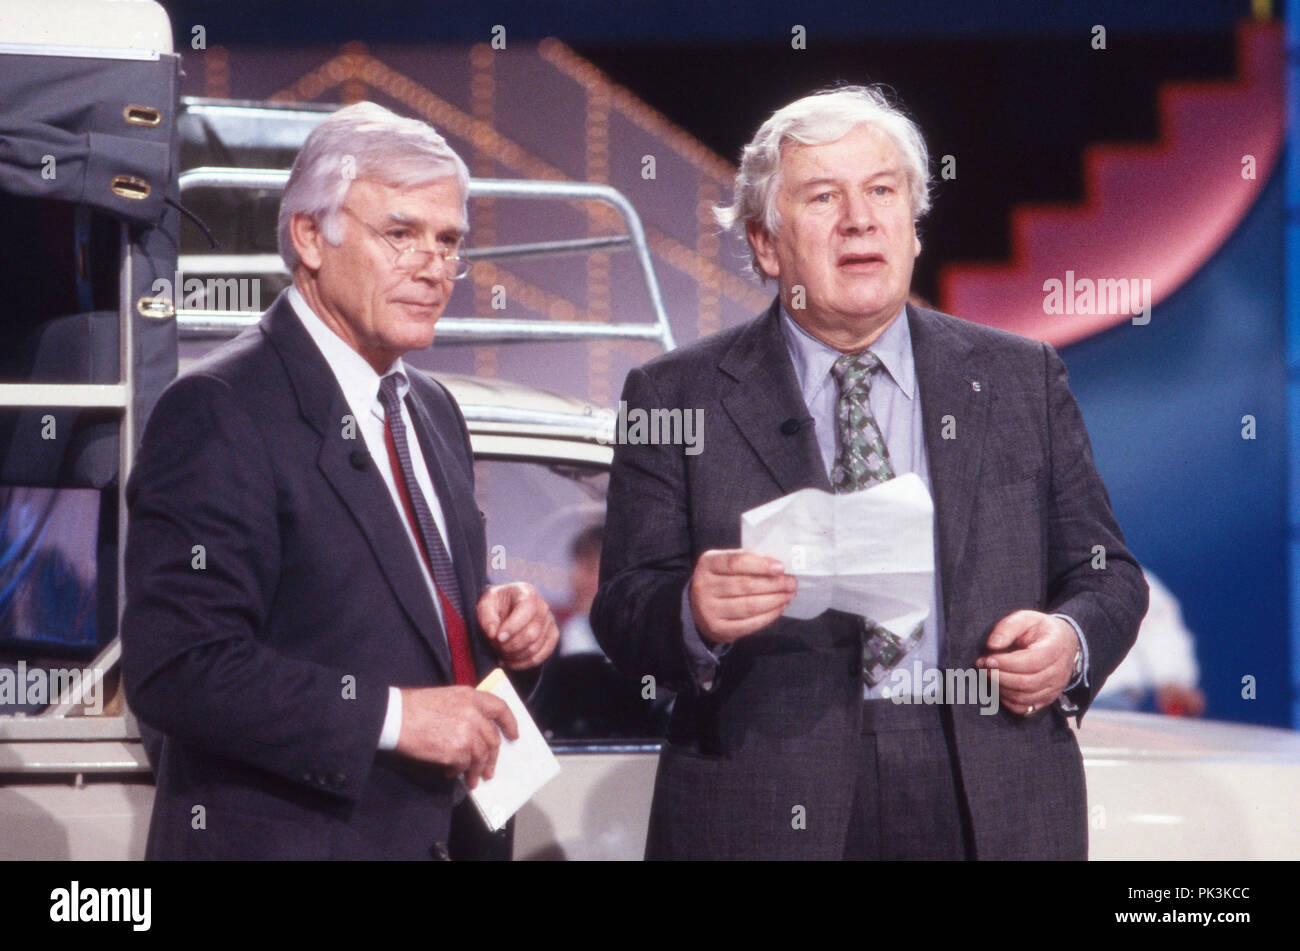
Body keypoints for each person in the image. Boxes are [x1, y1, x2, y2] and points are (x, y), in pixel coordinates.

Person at [591, 85, 1148, 860]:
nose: (861, 218)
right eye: (823, 196)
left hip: (988, 787)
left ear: (912, 228)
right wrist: (692, 609)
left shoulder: (1020, 377)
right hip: (765, 797)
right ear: (765, 243)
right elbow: (622, 609)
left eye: (883, 191)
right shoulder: (675, 395)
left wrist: (1069, 639)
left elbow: (1109, 574)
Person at [121, 102, 559, 860]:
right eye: (401, 233)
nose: (433, 264)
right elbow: (178, 665)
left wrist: (511, 642)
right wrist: (395, 718)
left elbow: (428, 641)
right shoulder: (219, 409)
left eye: (448, 240)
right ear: (308, 237)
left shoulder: (431, 409)